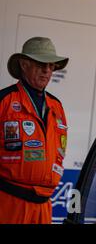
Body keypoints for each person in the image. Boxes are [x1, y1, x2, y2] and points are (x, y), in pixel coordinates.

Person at [0, 37, 69, 224]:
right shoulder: (4, 101)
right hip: (8, 203)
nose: (47, 70)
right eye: (40, 63)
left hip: (44, 206)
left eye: (51, 65)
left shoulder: (57, 106)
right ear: (24, 64)